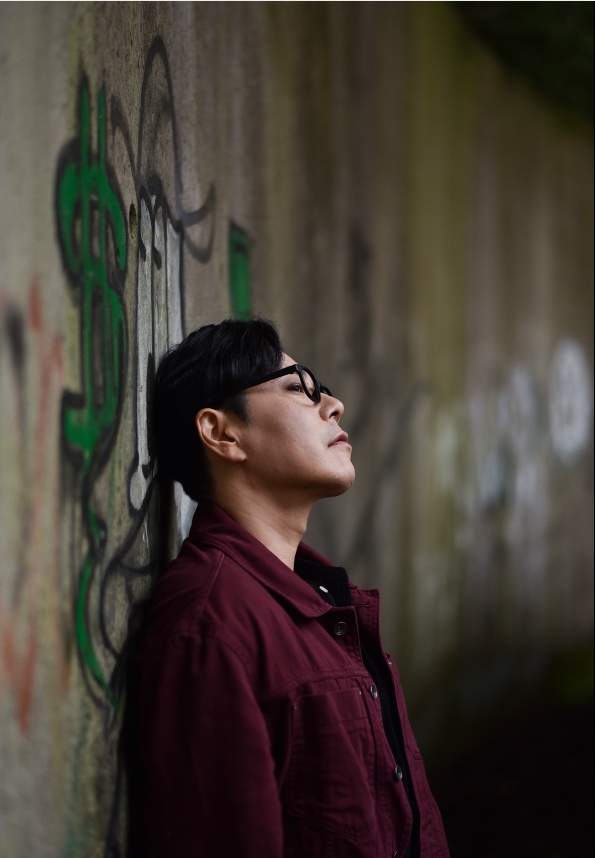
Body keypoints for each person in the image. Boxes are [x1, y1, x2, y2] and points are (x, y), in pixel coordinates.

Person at [128, 318, 449, 858]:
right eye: (299, 389)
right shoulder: (211, 628)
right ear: (222, 434)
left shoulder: (322, 604)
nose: (334, 405)